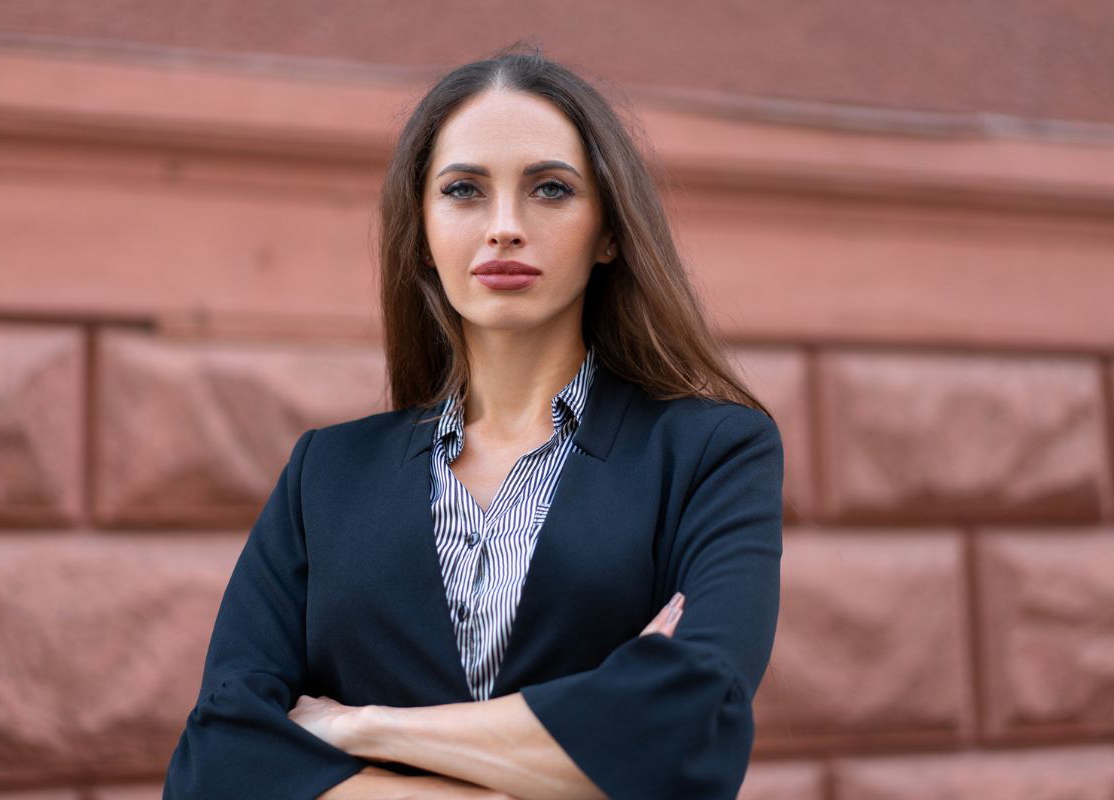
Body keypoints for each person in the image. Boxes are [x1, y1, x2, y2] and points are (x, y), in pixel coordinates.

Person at [163, 43, 784, 800]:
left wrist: (364, 728)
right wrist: (587, 744)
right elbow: (216, 761)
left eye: (550, 190)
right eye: (463, 190)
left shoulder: (711, 453)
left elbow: (696, 730)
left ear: (611, 232)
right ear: (421, 233)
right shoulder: (325, 475)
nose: (504, 226)